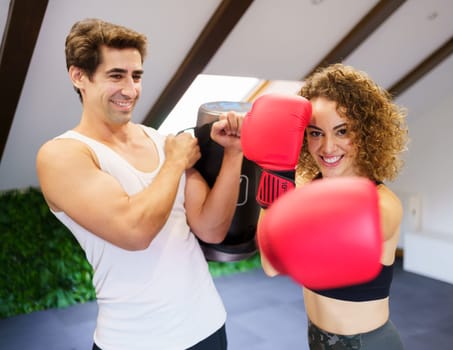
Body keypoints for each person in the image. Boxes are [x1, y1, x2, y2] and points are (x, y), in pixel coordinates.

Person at [36, 18, 244, 350]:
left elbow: (211, 229)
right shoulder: (63, 155)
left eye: (136, 76)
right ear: (79, 76)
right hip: (133, 340)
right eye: (116, 76)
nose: (130, 90)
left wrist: (234, 153)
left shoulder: (161, 140)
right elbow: (134, 233)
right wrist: (175, 162)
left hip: (207, 325)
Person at [243, 64, 409, 349]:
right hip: (317, 340)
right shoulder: (310, 187)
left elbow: (291, 254)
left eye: (342, 131)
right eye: (316, 133)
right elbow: (270, 264)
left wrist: (282, 190)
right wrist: (275, 169)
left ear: (367, 133)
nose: (328, 147)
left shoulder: (382, 205)